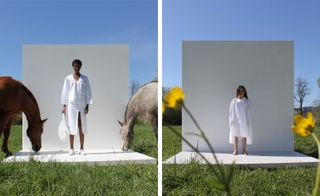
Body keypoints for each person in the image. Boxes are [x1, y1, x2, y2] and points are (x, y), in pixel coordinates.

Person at [61, 59, 92, 155]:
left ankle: (82, 148)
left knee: (81, 125)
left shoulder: (85, 79)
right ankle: (71, 148)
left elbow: (88, 92)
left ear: (80, 67)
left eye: (78, 66)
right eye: (75, 66)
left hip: (82, 105)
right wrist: (64, 105)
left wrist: (88, 104)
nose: (76, 67)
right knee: (71, 125)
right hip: (71, 105)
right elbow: (65, 92)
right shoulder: (68, 78)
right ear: (73, 66)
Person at [229, 85, 252, 155]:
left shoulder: (247, 101)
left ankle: (244, 150)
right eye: (239, 91)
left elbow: (249, 112)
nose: (241, 92)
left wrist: (248, 121)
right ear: (237, 92)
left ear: (245, 92)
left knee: (244, 136)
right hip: (236, 121)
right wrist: (231, 121)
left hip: (244, 121)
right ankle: (235, 150)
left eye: (242, 91)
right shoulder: (234, 101)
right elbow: (231, 111)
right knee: (235, 135)